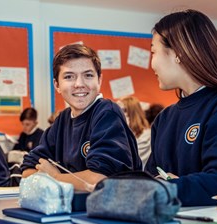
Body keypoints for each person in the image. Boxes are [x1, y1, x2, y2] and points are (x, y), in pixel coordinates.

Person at [145, 9, 217, 206]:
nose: (151, 63)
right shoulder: (164, 119)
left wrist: (172, 186)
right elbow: (151, 179)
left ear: (178, 54)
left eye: (153, 52)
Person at [21, 44, 142, 191]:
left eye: (88, 75)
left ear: (99, 80)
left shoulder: (107, 113)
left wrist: (56, 177)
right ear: (57, 85)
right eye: (69, 77)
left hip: (115, 209)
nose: (79, 84)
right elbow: (28, 170)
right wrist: (71, 180)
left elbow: (99, 180)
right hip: (75, 209)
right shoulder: (61, 120)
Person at [117, 96, 151, 167]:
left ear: (133, 113)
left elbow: (129, 160)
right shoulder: (120, 131)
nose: (118, 114)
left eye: (124, 110)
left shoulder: (145, 135)